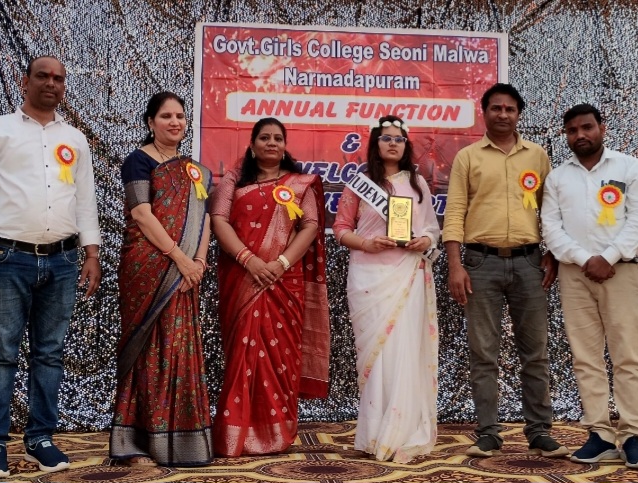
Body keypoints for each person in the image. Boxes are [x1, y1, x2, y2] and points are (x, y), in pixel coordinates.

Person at [0, 56, 101, 479]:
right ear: (24, 81)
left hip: (63, 260)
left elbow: (84, 199)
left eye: (58, 78)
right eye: (42, 76)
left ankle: (40, 436)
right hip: (7, 259)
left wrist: (92, 253)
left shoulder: (74, 139)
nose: (51, 83)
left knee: (50, 354)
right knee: (0, 354)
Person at [442, 83, 568, 458]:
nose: (502, 114)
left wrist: (553, 254)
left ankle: (540, 431)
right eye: (496, 108)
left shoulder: (537, 156)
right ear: (484, 113)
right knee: (483, 352)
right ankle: (488, 433)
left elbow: (551, 211)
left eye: (510, 109)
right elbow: (454, 212)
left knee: (536, 351)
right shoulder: (467, 157)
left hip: (530, 262)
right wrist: (454, 265)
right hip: (480, 263)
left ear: (518, 114)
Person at [210, 117, 330, 456]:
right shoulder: (234, 180)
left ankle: (277, 433)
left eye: (278, 138)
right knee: (241, 354)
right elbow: (218, 220)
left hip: (283, 280)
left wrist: (280, 264)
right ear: (252, 144)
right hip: (242, 277)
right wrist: (249, 260)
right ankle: (234, 434)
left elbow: (310, 226)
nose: (272, 143)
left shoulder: (300, 183)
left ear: (285, 145)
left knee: (280, 359)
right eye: (264, 137)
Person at [542, 103, 638, 468]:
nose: (580, 135)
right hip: (575, 275)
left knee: (627, 355)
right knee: (586, 358)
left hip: (620, 271)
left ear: (602, 128)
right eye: (572, 130)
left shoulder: (629, 167)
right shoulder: (558, 177)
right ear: (566, 135)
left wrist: (609, 256)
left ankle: (632, 434)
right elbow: (551, 227)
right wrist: (584, 258)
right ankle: (600, 435)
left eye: (586, 127)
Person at [109, 92, 213, 467]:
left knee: (179, 347)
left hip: (187, 271)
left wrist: (198, 262)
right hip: (148, 267)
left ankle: (182, 441)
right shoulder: (138, 161)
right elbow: (141, 213)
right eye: (166, 116)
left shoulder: (196, 170)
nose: (175, 122)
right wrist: (181, 260)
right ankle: (136, 442)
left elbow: (204, 219)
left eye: (180, 116)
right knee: (149, 348)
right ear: (150, 122)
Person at [332, 115, 440, 463]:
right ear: (375, 143)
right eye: (386, 138)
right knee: (377, 356)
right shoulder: (360, 183)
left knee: (403, 349)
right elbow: (341, 228)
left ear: (406, 145)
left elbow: (431, 230)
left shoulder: (418, 184)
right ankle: (374, 432)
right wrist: (367, 243)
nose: (393, 144)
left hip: (407, 275)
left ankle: (402, 431)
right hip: (368, 277)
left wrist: (424, 240)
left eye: (399, 139)